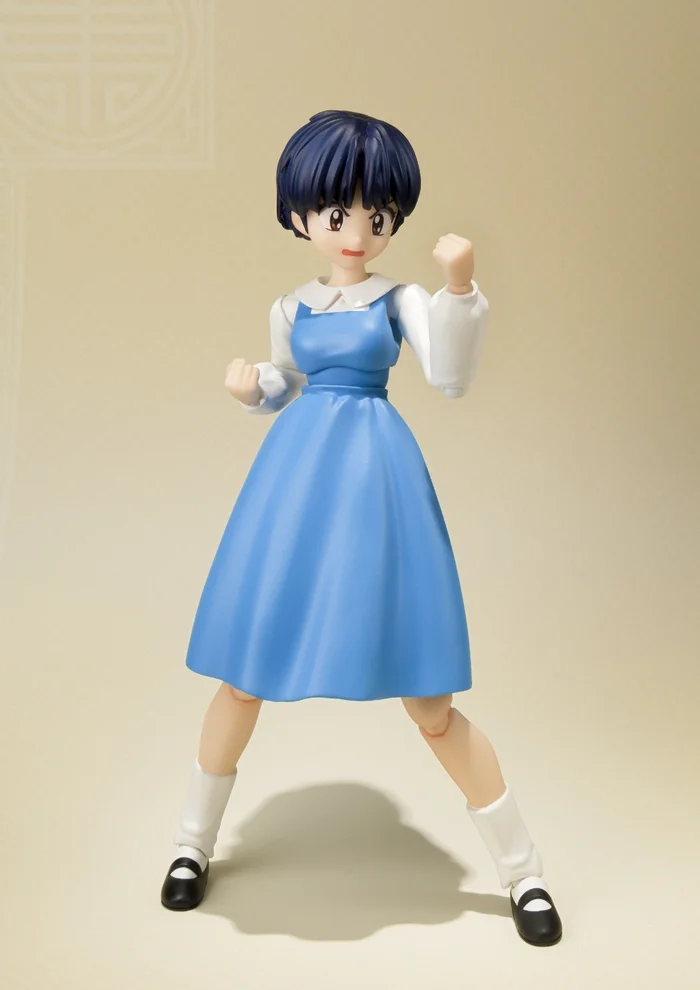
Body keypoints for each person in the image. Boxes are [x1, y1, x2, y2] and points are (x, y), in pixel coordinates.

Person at [160, 110, 562, 947]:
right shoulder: (291, 304)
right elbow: (288, 380)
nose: (356, 233)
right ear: (299, 213)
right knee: (244, 676)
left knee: (431, 702)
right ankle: (192, 846)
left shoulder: (400, 299)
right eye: (338, 213)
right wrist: (255, 388)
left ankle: (523, 873)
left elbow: (449, 376)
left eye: (378, 217)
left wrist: (460, 287)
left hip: (378, 482)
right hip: (295, 482)